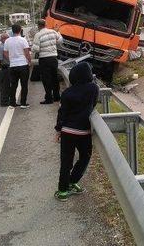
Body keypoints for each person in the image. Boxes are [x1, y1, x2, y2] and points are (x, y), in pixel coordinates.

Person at [53, 62, 99, 202]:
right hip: (83, 132)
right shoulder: (93, 88)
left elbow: (62, 113)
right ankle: (73, 181)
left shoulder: (67, 92)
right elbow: (94, 104)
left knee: (66, 161)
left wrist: (58, 130)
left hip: (67, 131)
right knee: (85, 156)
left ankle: (62, 191)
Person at [32, 19, 63, 105]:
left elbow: (36, 49)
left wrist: (33, 48)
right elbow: (60, 41)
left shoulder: (38, 35)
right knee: (54, 78)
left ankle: (49, 98)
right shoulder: (53, 32)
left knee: (46, 79)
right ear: (45, 24)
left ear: (38, 26)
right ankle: (57, 97)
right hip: (54, 58)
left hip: (44, 59)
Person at [4, 24, 31, 108]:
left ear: (12, 31)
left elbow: (5, 53)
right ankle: (23, 103)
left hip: (13, 65)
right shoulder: (23, 40)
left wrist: (11, 59)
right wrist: (29, 61)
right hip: (23, 64)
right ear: (20, 30)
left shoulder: (7, 41)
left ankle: (12, 103)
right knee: (24, 85)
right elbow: (26, 52)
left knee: (13, 85)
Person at [0, 33, 11, 107]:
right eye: (7, 38)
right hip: (4, 68)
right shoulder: (1, 47)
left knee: (7, 86)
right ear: (4, 39)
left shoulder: (5, 46)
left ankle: (8, 100)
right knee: (4, 86)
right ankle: (4, 102)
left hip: (7, 67)